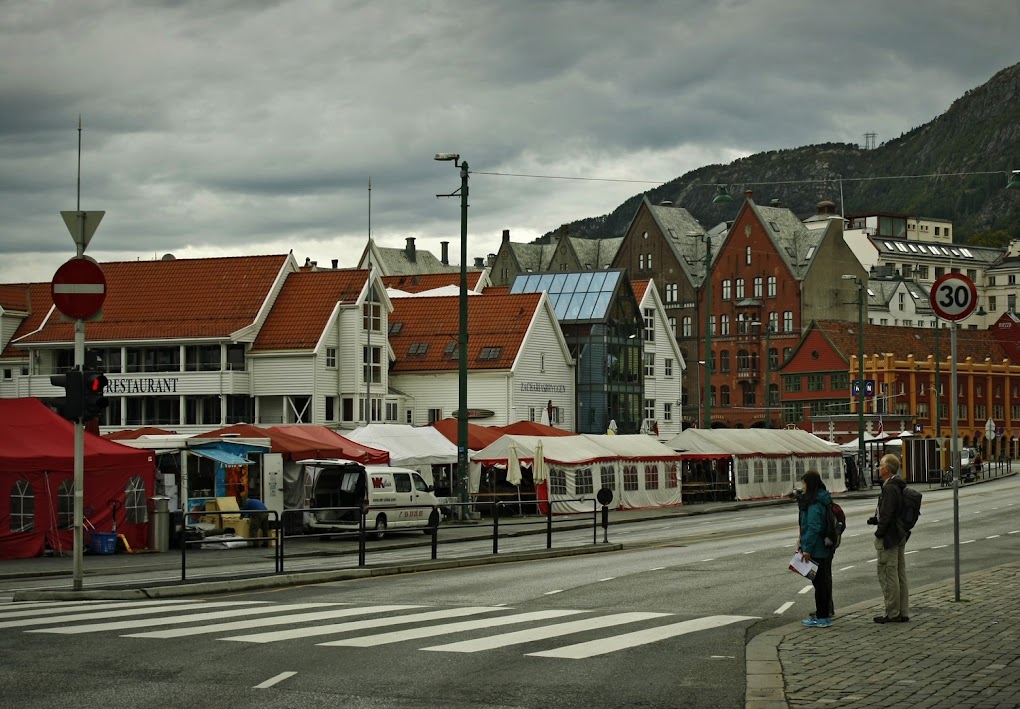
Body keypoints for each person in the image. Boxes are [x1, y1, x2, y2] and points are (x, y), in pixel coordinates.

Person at [868, 453, 910, 623]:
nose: (879, 467)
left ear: (886, 468)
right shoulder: (898, 485)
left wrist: (879, 532)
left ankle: (892, 612)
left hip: (889, 537)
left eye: (881, 465)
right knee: (899, 573)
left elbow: (887, 513)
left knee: (888, 573)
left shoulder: (890, 487)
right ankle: (903, 610)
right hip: (899, 534)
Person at [796, 470, 834, 628]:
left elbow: (813, 527)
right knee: (822, 583)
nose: (802, 486)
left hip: (816, 549)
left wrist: (807, 549)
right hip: (822, 548)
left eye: (803, 483)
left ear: (809, 484)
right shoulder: (822, 498)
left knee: (819, 585)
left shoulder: (814, 504)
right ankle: (823, 615)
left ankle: (822, 616)